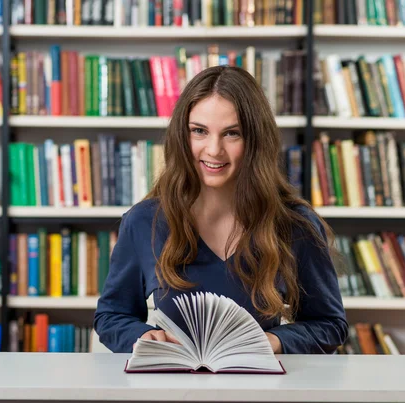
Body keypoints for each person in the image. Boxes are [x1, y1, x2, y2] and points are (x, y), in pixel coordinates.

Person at [93, 65, 348, 355]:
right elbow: (111, 317)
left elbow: (329, 325)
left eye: (232, 134)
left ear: (255, 140)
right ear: (182, 135)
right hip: (171, 389)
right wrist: (143, 337)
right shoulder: (143, 221)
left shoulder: (295, 225)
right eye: (199, 131)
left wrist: (273, 342)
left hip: (258, 389)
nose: (214, 150)